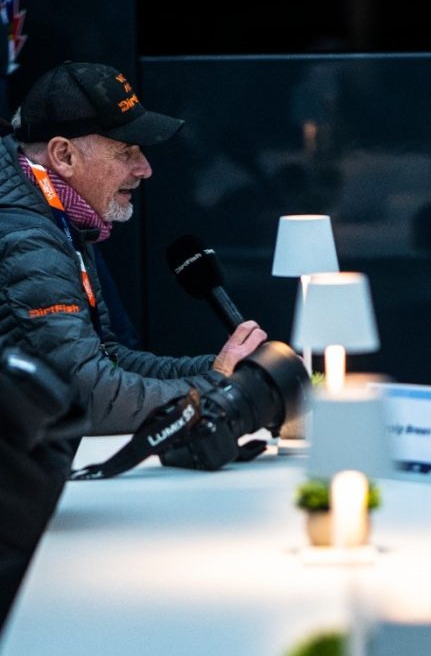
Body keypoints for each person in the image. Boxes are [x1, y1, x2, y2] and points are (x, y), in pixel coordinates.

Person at [0, 61, 268, 440]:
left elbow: (107, 358)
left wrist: (225, 369)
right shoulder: (27, 237)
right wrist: (216, 385)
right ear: (64, 156)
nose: (145, 169)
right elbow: (87, 396)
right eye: (126, 151)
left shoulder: (52, 210)